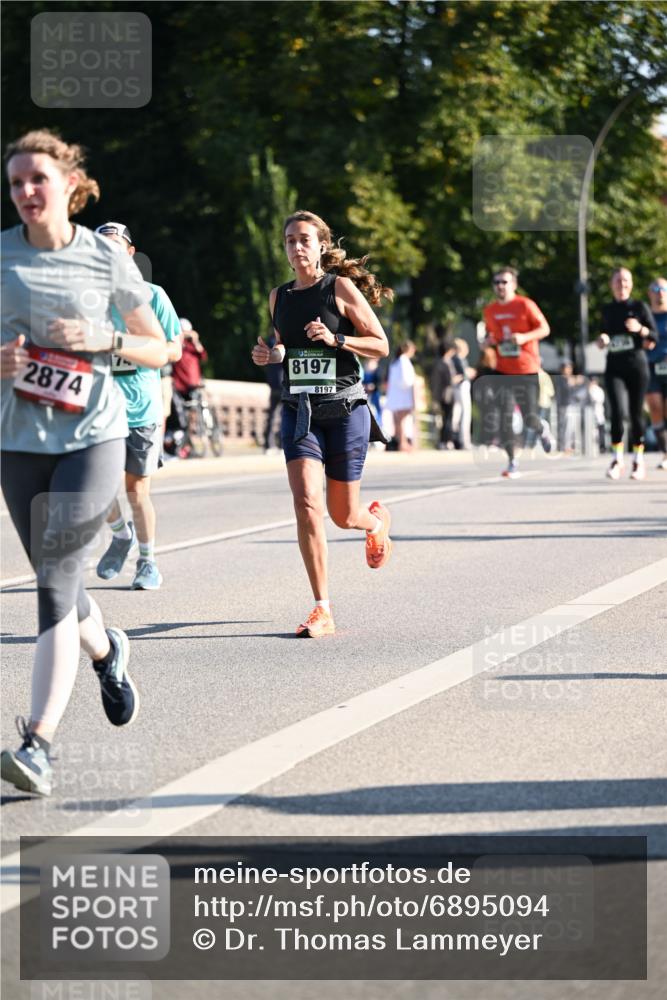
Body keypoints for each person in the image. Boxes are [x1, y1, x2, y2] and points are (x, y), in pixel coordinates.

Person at [0, 129, 167, 796]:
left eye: (37, 179)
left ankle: (36, 744)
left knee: (52, 585)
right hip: (17, 440)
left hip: (92, 436)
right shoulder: (1, 257)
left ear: (69, 182)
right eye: (15, 184)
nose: (25, 193)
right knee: (59, 580)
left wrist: (106, 337)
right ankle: (108, 650)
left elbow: (159, 348)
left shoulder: (103, 257)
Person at [251, 209, 392, 638]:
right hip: (301, 411)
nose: (297, 247)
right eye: (290, 240)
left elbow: (381, 345)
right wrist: (271, 355)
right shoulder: (280, 297)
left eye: (305, 240)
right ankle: (322, 608)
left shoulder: (340, 288)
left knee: (343, 514)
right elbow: (285, 348)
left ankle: (376, 523)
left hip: (345, 410)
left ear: (321, 246)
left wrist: (337, 339)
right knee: (307, 504)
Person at [94, 221, 182, 590]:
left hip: (140, 410)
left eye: (114, 247)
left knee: (136, 490)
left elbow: (174, 349)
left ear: (129, 253)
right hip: (98, 409)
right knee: (94, 489)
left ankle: (147, 562)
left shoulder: (153, 296)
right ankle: (120, 534)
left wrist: (134, 347)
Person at [482, 266, 551, 477]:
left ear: (514, 284)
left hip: (526, 368)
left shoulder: (525, 305)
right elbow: (492, 337)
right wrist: (488, 342)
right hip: (503, 370)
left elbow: (545, 329)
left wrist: (524, 337)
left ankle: (542, 429)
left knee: (530, 417)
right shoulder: (490, 310)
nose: (500, 286)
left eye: (504, 282)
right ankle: (512, 462)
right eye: (497, 283)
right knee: (505, 418)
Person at [596, 267, 656, 480]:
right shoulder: (607, 310)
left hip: (637, 367)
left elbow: (654, 335)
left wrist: (641, 329)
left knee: (635, 414)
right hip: (614, 368)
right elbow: (601, 334)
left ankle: (638, 461)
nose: (622, 284)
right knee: (617, 413)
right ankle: (617, 459)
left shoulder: (640, 307)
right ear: (612, 284)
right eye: (618, 280)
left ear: (631, 284)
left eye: (626, 280)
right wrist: (602, 339)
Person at [169, 318, 208, 447]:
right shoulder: (176, 343)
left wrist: (195, 340)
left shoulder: (193, 346)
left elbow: (203, 356)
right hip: (179, 384)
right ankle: (186, 441)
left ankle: (194, 437)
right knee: (181, 414)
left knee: (194, 411)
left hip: (193, 383)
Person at [646, 277, 667, 470]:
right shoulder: (646, 316)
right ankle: (665, 453)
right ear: (649, 293)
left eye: (663, 288)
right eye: (655, 288)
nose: (659, 292)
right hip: (651, 367)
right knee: (654, 406)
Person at [385, 340, 417, 451]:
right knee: (402, 420)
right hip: (402, 396)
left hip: (395, 396)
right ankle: (402, 443)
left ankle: (400, 441)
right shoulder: (403, 361)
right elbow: (406, 380)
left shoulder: (395, 361)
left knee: (398, 421)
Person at [430, 336, 456, 450]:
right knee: (447, 418)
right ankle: (445, 440)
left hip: (445, 394)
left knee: (446, 418)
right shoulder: (444, 363)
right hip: (446, 394)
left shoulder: (441, 362)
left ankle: (444, 440)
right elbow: (447, 380)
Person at [263, 332, 284, 452]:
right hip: (280, 384)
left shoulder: (269, 341)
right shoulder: (281, 341)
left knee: (273, 416)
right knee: (281, 416)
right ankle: (279, 444)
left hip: (274, 384)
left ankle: (269, 444)